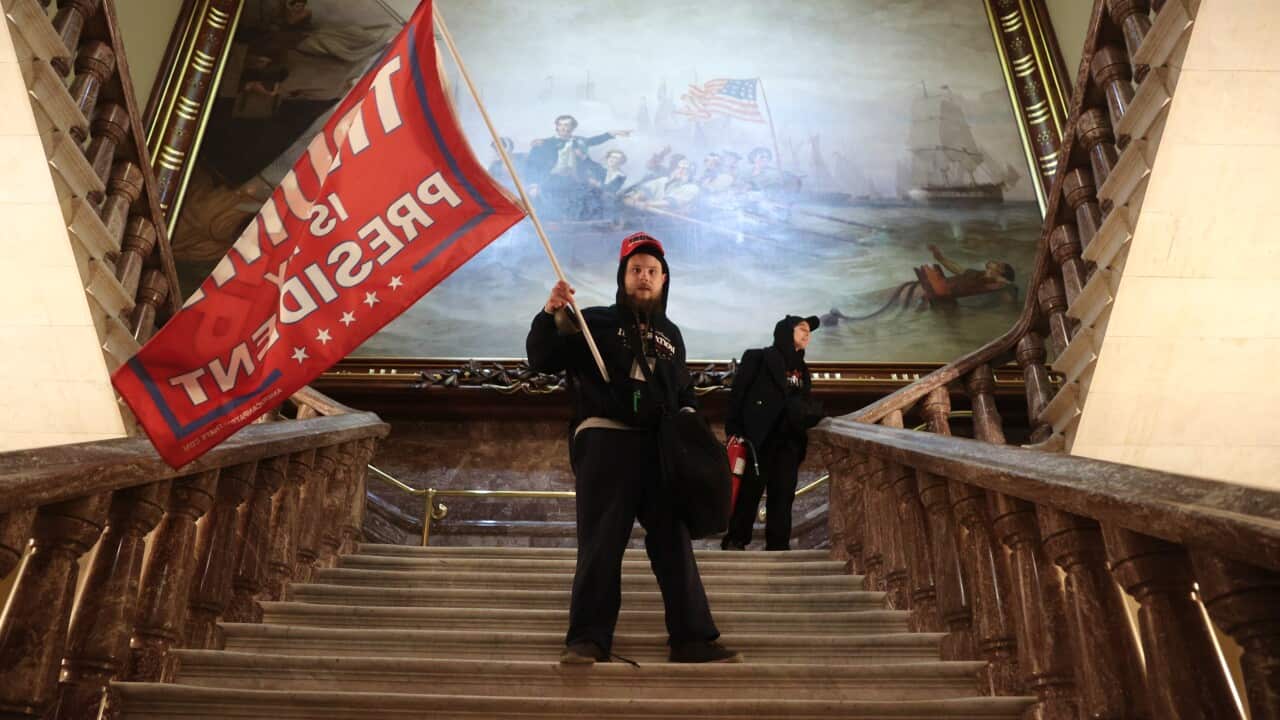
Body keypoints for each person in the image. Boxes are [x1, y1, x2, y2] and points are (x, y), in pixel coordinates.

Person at [526, 233, 741, 665]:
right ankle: (588, 639)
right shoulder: (592, 322)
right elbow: (542, 357)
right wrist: (550, 313)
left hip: (660, 448)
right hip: (606, 440)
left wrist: (692, 432)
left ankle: (692, 639)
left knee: (673, 543)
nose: (644, 277)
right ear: (623, 277)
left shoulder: (672, 334)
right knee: (601, 542)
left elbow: (685, 394)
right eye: (635, 270)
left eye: (652, 271)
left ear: (664, 280)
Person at [722, 315, 824, 551]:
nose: (807, 334)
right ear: (785, 331)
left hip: (789, 441)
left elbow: (804, 402)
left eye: (809, 331)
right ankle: (736, 540)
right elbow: (737, 396)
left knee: (784, 495)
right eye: (802, 329)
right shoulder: (758, 358)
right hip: (759, 440)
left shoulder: (802, 370)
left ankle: (778, 546)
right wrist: (734, 430)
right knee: (749, 492)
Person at [921, 244, 1017, 302]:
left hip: (942, 293)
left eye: (999, 264)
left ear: (1000, 271)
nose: (996, 262)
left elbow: (1006, 291)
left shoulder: (999, 283)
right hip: (938, 288)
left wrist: (1001, 282)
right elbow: (958, 269)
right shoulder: (978, 274)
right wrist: (940, 258)